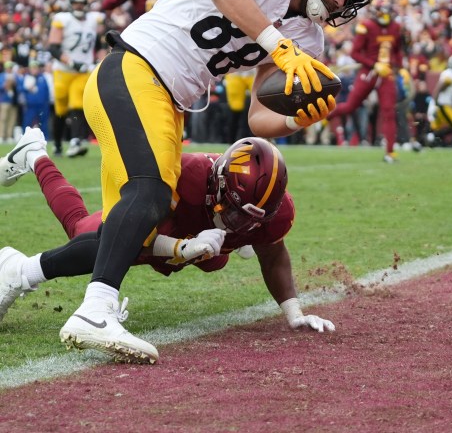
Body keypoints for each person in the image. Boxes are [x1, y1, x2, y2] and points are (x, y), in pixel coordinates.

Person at [62, 0, 375, 361]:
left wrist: (297, 120)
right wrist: (278, 46)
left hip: (168, 100)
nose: (341, 2)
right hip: (136, 67)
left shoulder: (308, 38)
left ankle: (16, 273)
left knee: (137, 230)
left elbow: (257, 118)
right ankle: (95, 312)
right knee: (149, 193)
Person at [0, 129, 335, 363]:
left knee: (215, 257)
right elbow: (135, 237)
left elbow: (274, 252)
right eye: (233, 212)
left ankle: (223, 247)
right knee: (90, 236)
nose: (239, 223)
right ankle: (35, 156)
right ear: (216, 183)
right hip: (153, 218)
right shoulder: (184, 175)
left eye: (250, 220)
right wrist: (181, 248)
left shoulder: (270, 212)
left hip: (194, 232)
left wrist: (294, 313)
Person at [327, 0, 404, 163]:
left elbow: (397, 51)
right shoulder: (367, 26)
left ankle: (390, 152)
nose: (387, 15)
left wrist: (399, 67)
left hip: (386, 73)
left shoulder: (396, 27)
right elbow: (355, 53)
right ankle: (324, 115)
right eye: (384, 12)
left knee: (389, 111)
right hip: (369, 71)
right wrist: (373, 64)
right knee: (349, 106)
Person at [47, 0, 106, 158]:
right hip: (63, 71)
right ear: (70, 4)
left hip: (83, 70)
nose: (79, 6)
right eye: (76, 3)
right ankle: (57, 144)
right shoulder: (62, 19)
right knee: (60, 109)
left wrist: (100, 59)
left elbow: (100, 44)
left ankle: (75, 141)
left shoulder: (95, 19)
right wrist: (72, 62)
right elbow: (53, 47)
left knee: (78, 104)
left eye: (81, 3)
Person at [427, 53, 452, 147]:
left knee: (437, 126)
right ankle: (432, 137)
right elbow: (438, 88)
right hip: (442, 104)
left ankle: (433, 141)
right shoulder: (450, 75)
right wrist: (434, 104)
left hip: (444, 103)